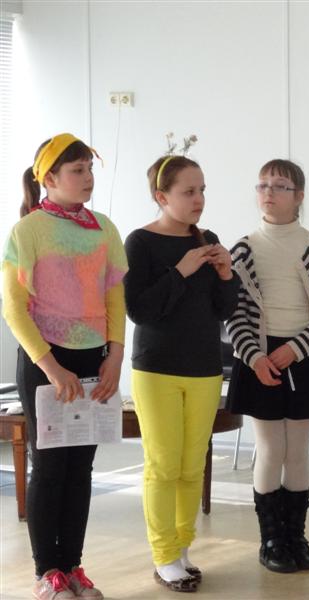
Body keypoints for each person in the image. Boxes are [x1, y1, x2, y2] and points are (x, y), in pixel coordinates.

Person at [2, 133, 127, 600]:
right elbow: (14, 309)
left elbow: (115, 298)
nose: (88, 178)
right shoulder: (28, 230)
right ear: (49, 179)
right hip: (45, 361)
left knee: (81, 468)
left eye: (90, 170)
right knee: (50, 467)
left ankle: (73, 567)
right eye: (77, 171)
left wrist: (115, 357)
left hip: (94, 359)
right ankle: (47, 573)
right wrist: (52, 368)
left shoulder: (105, 229)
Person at [124, 154, 239, 592]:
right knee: (163, 465)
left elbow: (222, 311)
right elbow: (140, 310)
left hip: (205, 368)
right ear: (161, 196)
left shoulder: (209, 240)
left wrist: (226, 275)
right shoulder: (140, 242)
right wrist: (182, 271)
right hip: (157, 368)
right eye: (188, 191)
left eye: (202, 190)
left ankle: (182, 548)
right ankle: (164, 554)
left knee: (193, 465)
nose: (199, 199)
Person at [225, 159, 309, 574]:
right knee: (271, 448)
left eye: (279, 186)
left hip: (303, 355)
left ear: (299, 196)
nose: (268, 193)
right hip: (259, 357)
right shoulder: (242, 248)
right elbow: (235, 315)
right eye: (262, 185)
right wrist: (255, 357)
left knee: (297, 452)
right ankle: (272, 540)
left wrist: (296, 348)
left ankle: (297, 537)